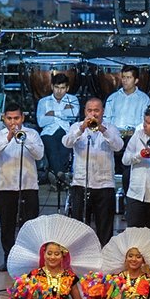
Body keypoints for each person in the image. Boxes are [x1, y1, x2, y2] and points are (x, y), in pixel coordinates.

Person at [0, 104, 44, 267]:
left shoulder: (32, 134)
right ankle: (9, 257)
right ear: (3, 118)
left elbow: (39, 154)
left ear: (23, 118)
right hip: (5, 186)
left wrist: (24, 140)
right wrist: (8, 138)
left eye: (16, 118)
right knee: (7, 224)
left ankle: (30, 258)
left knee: (29, 224)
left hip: (28, 186)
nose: (13, 122)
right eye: (9, 119)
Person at [62, 96, 122, 244]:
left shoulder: (111, 128)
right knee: (80, 228)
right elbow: (67, 143)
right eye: (90, 110)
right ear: (85, 112)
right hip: (81, 183)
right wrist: (82, 128)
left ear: (103, 111)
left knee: (105, 228)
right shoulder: (77, 127)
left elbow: (118, 146)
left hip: (105, 185)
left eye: (96, 110)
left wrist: (103, 130)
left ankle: (104, 260)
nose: (93, 114)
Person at [36, 72, 78, 178]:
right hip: (48, 132)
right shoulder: (43, 102)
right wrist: (63, 112)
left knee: (65, 147)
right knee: (52, 147)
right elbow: (41, 122)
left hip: (66, 131)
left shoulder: (73, 99)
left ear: (67, 88)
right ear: (52, 87)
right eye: (56, 87)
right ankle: (61, 175)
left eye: (62, 88)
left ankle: (56, 176)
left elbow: (73, 116)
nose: (59, 91)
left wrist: (52, 113)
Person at [104, 66, 150, 140]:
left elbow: (145, 122)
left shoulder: (144, 99)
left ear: (136, 80)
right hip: (114, 137)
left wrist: (129, 133)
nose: (125, 80)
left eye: (128, 77)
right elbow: (106, 120)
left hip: (135, 137)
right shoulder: (112, 98)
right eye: (123, 77)